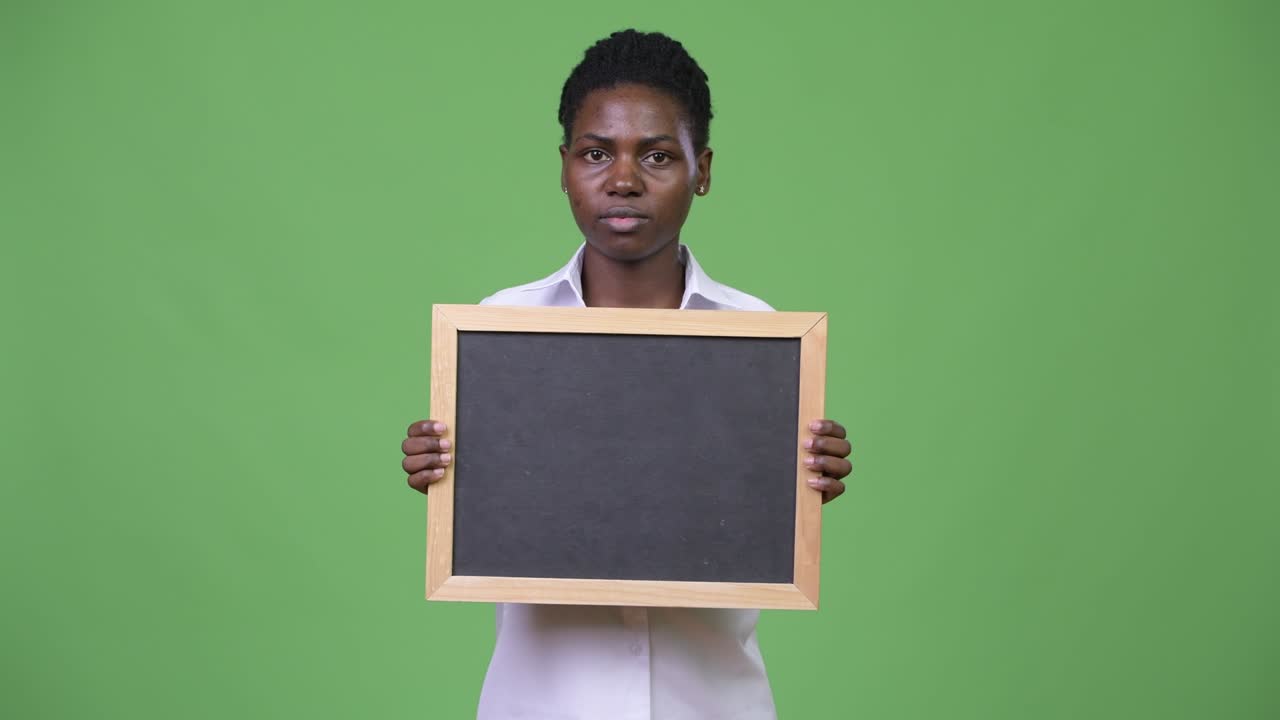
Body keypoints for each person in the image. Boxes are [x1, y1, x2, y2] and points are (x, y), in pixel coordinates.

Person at [401, 29, 854, 719]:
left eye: (658, 156)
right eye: (595, 153)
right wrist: (447, 467)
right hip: (542, 703)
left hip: (709, 704)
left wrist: (801, 480)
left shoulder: (758, 338)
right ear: (563, 167)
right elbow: (495, 510)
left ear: (702, 169)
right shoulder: (500, 329)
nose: (622, 179)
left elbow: (754, 518)